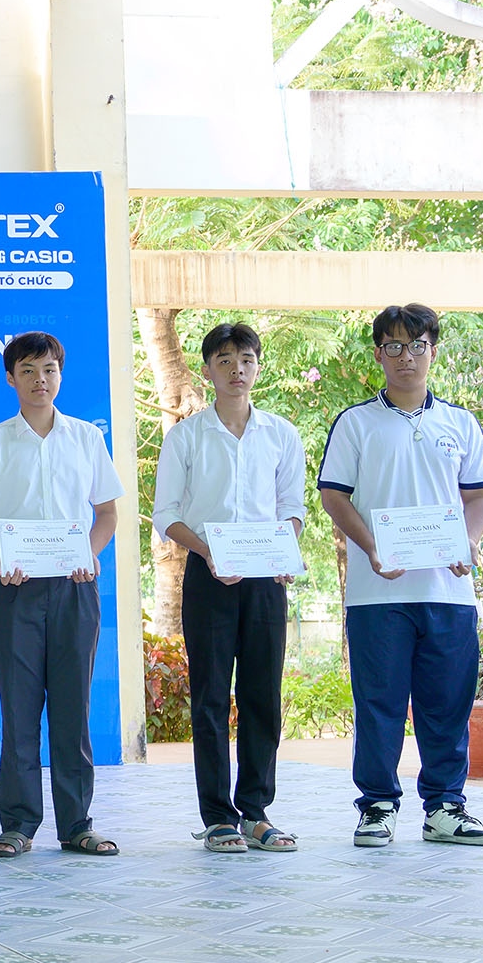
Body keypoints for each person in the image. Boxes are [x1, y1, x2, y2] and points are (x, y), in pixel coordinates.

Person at [318, 303, 483, 848]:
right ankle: (377, 806)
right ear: (379, 354)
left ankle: (445, 806)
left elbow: (479, 497)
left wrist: (469, 541)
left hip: (449, 591)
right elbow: (334, 496)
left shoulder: (460, 423)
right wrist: (372, 548)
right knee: (380, 704)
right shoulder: (355, 423)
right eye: (394, 346)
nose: (406, 357)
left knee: (448, 704)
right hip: (378, 594)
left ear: (432, 352)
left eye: (417, 346)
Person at [0, 331, 123, 859]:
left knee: (73, 708)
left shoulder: (87, 438)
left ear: (61, 374)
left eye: (49, 369)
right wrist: (6, 553)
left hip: (76, 586)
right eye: (28, 371)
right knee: (19, 708)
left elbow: (107, 513)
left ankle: (77, 823)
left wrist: (89, 553)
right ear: (10, 378)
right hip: (16, 586)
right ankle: (18, 823)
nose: (40, 380)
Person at [152, 323, 306, 854]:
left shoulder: (282, 434)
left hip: (265, 581)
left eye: (246, 359)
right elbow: (166, 515)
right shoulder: (186, 436)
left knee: (264, 696)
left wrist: (284, 552)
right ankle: (218, 817)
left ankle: (256, 813)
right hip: (208, 576)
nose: (236, 369)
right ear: (207, 370)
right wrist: (208, 552)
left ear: (257, 366)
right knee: (211, 698)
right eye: (224, 360)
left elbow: (292, 509)